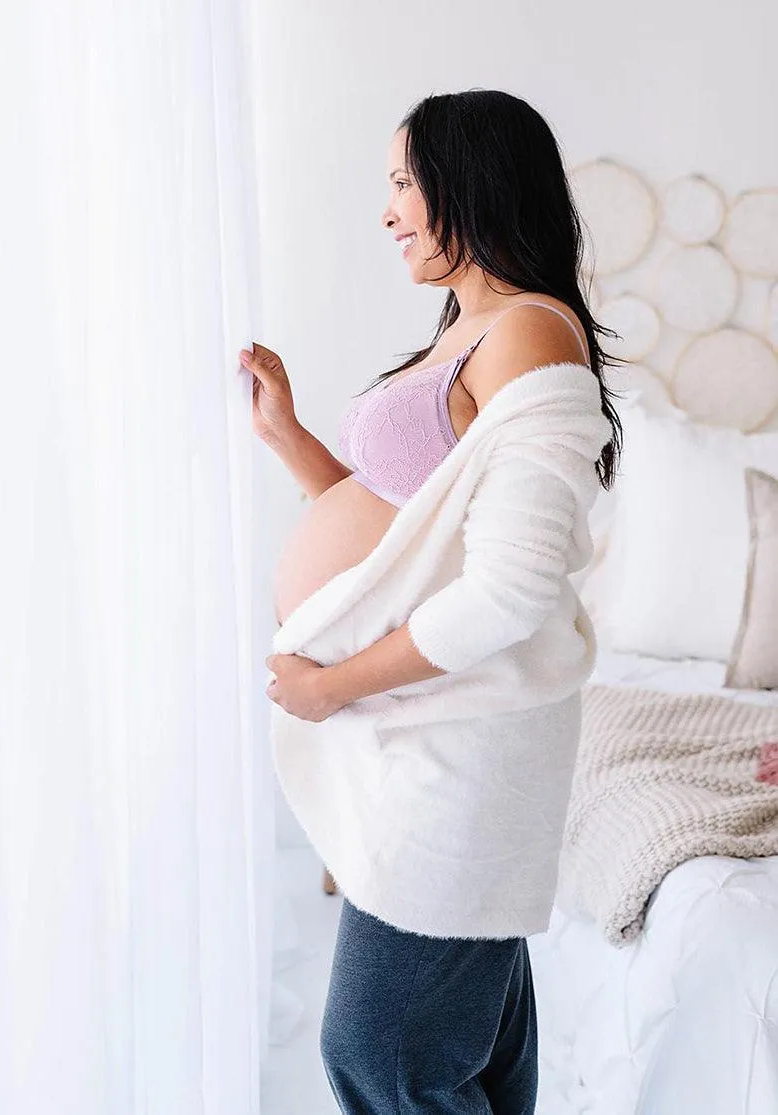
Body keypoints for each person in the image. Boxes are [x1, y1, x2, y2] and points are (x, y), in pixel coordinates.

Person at [240, 89, 622, 1115]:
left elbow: (506, 590)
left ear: (471, 181)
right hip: (426, 734)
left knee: (382, 1054)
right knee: (465, 1053)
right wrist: (288, 438)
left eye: (404, 182)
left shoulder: (529, 338)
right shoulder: (471, 325)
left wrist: (332, 686)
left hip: (462, 743)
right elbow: (400, 531)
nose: (388, 210)